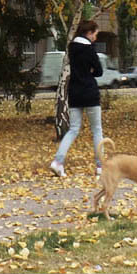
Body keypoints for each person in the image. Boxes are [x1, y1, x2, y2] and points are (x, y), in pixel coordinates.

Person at [49, 20, 105, 178]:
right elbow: (99, 71)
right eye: (95, 34)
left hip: (74, 92)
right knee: (97, 130)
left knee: (73, 129)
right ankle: (100, 166)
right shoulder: (90, 50)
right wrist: (90, 73)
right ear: (89, 33)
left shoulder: (72, 48)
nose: (95, 37)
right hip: (90, 92)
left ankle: (58, 162)